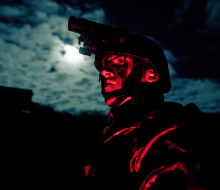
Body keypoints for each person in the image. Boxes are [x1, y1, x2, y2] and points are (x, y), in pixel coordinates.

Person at [80, 32, 210, 190]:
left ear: (151, 74)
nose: (105, 73)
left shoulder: (171, 126)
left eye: (119, 62)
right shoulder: (108, 134)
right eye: (104, 67)